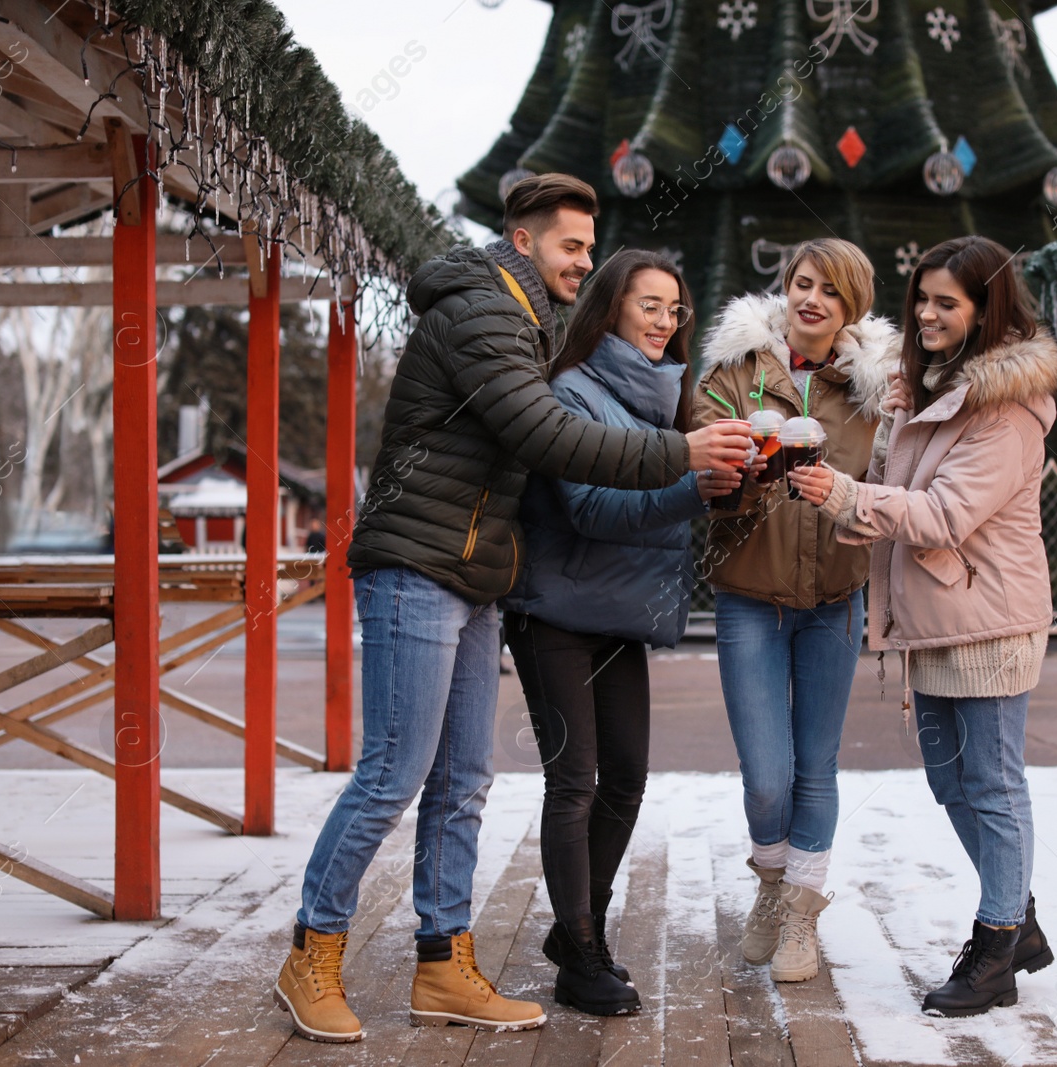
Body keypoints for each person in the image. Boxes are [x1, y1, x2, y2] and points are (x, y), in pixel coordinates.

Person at [273, 174, 753, 1044]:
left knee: (462, 783)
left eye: (589, 247)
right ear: (524, 240)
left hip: (472, 575)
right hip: (415, 565)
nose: (585, 261)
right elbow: (548, 436)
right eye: (572, 246)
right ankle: (312, 950)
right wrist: (681, 451)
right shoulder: (482, 313)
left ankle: (442, 961)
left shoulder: (524, 322)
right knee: (395, 771)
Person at [788, 235, 1057, 1016]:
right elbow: (895, 491)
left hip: (989, 618)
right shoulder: (932, 392)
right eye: (924, 299)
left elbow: (944, 515)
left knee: (994, 783)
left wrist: (844, 496)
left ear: (986, 310)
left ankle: (996, 943)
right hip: (936, 618)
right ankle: (1022, 917)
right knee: (951, 779)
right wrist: (870, 472)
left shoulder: (1003, 410)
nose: (929, 313)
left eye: (949, 301)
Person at [503, 249, 736, 1016]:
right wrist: (690, 487)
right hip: (555, 612)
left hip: (617, 617)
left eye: (675, 310)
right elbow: (592, 510)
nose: (666, 322)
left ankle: (578, 929)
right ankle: (581, 952)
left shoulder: (660, 399)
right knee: (576, 782)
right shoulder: (572, 391)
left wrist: (723, 484)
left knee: (627, 778)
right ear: (609, 309)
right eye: (650, 306)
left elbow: (661, 494)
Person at [694, 239, 900, 983]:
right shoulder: (736, 369)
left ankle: (800, 916)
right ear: (787, 288)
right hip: (750, 595)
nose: (813, 299)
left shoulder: (876, 387)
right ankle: (772, 885)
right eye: (804, 283)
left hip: (835, 598)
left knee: (816, 763)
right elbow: (705, 474)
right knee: (765, 774)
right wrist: (747, 472)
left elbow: (896, 481)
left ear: (853, 308)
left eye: (832, 292)